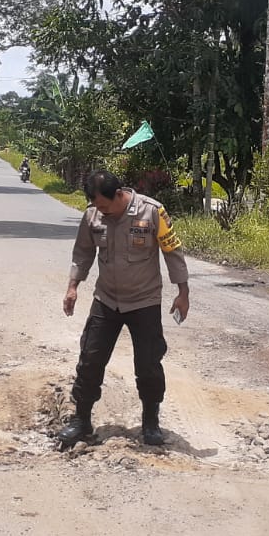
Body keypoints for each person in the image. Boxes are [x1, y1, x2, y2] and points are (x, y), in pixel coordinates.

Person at [58, 171, 190, 449]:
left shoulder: (152, 212)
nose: (101, 212)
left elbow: (172, 251)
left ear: (119, 194)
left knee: (148, 364)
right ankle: (81, 420)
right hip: (106, 299)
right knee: (90, 360)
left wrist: (183, 292)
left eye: (104, 206)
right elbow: (82, 252)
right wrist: (73, 287)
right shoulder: (93, 216)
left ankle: (151, 423)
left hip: (144, 301)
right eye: (97, 207)